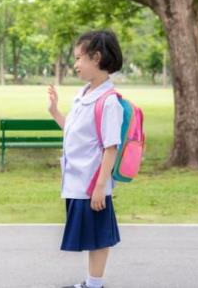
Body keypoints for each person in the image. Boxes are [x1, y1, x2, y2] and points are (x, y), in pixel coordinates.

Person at [47, 31, 124, 288]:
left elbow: (111, 148)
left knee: (98, 238)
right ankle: (92, 284)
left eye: (80, 58)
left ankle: (94, 285)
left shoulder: (108, 101)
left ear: (97, 58)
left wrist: (101, 187)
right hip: (76, 181)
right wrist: (55, 111)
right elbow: (73, 130)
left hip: (92, 184)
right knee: (92, 236)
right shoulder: (83, 95)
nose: (76, 64)